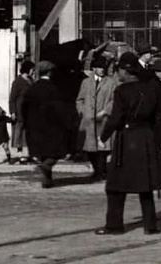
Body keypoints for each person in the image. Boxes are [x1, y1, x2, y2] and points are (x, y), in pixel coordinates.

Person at [98, 51, 161, 235]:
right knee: (145, 185)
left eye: (118, 69)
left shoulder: (122, 91)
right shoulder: (151, 89)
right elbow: (159, 116)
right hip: (146, 138)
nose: (117, 73)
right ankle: (150, 226)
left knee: (115, 186)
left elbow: (116, 118)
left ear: (125, 71)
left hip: (127, 139)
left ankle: (114, 225)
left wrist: (103, 136)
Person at [21, 60, 74, 188]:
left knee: (43, 153)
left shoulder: (32, 88)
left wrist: (27, 122)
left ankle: (47, 179)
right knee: (56, 153)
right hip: (52, 127)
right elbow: (60, 109)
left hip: (35, 128)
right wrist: (67, 123)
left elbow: (24, 107)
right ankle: (46, 166)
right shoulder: (54, 89)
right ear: (50, 72)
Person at [76, 58, 119, 181]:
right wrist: (83, 111)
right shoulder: (85, 82)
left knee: (103, 148)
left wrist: (106, 111)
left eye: (103, 68)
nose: (102, 70)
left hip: (103, 119)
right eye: (99, 68)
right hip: (89, 120)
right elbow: (80, 100)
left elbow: (114, 100)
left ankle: (101, 171)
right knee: (90, 148)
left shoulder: (110, 83)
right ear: (94, 69)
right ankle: (97, 170)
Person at [9, 59, 35, 162]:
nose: (33, 72)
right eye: (32, 69)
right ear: (27, 70)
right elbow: (12, 98)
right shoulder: (17, 82)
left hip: (29, 112)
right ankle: (20, 155)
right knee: (19, 133)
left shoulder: (31, 81)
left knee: (27, 134)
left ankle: (27, 154)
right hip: (19, 112)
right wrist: (13, 112)